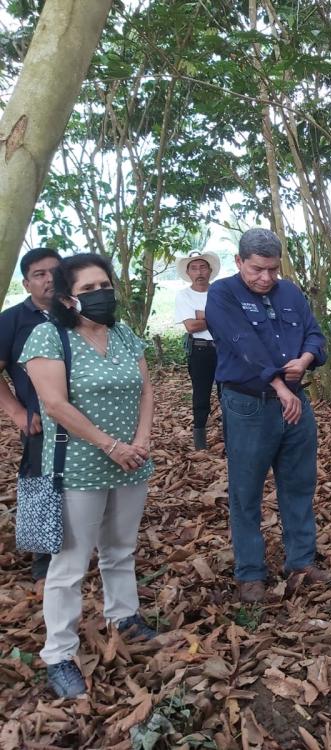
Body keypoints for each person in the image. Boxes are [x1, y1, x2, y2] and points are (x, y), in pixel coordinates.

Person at [20, 253, 157, 699]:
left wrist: (139, 440)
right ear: (67, 298)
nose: (101, 295)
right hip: (78, 465)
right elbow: (55, 405)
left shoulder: (122, 333)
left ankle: (126, 617)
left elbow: (146, 389)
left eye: (105, 286)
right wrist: (110, 446)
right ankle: (59, 654)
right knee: (70, 564)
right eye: (89, 290)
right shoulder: (49, 337)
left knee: (121, 548)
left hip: (131, 461)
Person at [205, 228, 331, 603]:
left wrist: (306, 359)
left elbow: (314, 334)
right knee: (246, 491)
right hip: (249, 405)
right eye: (257, 269)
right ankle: (250, 574)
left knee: (299, 483)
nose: (265, 278)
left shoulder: (289, 292)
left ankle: (301, 563)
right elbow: (243, 345)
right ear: (239, 262)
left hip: (295, 401)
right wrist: (279, 386)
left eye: (273, 270)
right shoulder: (222, 294)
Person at [0, 247, 61, 581]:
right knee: (41, 482)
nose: (49, 279)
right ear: (26, 284)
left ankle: (84, 547)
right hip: (40, 421)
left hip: (85, 419)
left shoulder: (77, 314)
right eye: (40, 274)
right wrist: (17, 412)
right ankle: (42, 560)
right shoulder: (12, 320)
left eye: (55, 271)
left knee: (81, 484)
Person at [174, 251, 221, 449]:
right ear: (188, 272)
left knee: (227, 394)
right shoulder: (183, 295)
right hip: (200, 351)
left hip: (225, 350)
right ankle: (200, 443)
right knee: (200, 396)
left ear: (210, 270)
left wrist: (201, 314)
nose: (199, 272)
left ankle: (232, 438)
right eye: (194, 268)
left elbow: (233, 319)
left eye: (203, 267)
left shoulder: (220, 292)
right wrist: (217, 315)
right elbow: (191, 326)